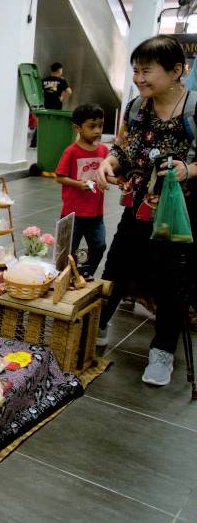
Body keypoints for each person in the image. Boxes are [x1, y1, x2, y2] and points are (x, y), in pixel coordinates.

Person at [96, 34, 197, 386]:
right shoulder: (138, 107)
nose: (139, 78)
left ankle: (163, 352)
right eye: (136, 70)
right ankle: (97, 326)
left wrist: (188, 169)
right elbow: (124, 148)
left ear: (176, 72)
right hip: (139, 205)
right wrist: (110, 161)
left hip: (179, 213)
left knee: (173, 281)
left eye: (147, 71)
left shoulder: (193, 109)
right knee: (116, 267)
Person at [55, 103, 108, 277]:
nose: (97, 131)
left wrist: (118, 180)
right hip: (73, 213)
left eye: (100, 125)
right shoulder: (71, 152)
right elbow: (59, 177)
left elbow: (106, 174)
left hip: (96, 213)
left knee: (99, 245)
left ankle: (85, 273)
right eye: (92, 126)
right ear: (77, 128)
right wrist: (80, 184)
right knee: (68, 249)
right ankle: (63, 277)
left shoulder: (104, 150)